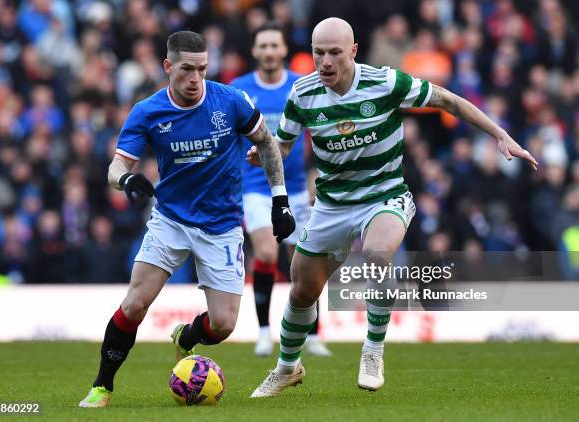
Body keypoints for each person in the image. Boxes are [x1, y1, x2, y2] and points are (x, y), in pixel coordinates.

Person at [249, 18, 538, 397]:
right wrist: (264, 154)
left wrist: (500, 135)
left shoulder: (385, 82)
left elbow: (448, 101)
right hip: (332, 203)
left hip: (383, 194)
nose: (325, 62)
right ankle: (287, 367)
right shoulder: (302, 92)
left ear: (352, 51)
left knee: (376, 253)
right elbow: (282, 146)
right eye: (319, 53)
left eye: (335, 53)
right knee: (302, 289)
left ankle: (372, 350)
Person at [79, 30, 295, 408]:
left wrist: (280, 200)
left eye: (202, 69)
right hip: (171, 220)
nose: (195, 79)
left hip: (222, 224)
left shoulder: (230, 101)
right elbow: (115, 167)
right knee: (134, 304)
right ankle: (102, 386)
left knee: (224, 324)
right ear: (168, 67)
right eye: (186, 69)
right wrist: (127, 179)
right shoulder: (147, 111)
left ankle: (186, 336)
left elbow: (266, 142)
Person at [231, 22, 331, 357]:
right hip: (256, 187)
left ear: (284, 49)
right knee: (266, 253)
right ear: (255, 51)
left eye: (275, 45)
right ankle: (263, 332)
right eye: (264, 46)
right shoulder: (239, 89)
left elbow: (319, 134)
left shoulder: (300, 86)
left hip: (298, 188)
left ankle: (313, 334)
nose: (270, 51)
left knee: (303, 263)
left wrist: (321, 174)